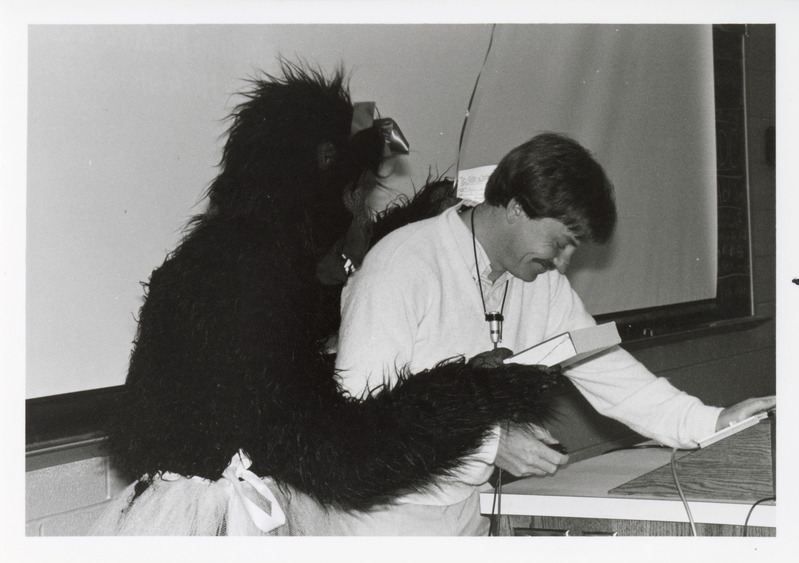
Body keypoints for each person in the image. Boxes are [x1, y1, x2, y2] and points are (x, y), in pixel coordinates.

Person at [90, 62, 568, 536]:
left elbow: (317, 310)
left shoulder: (231, 257)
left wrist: (405, 230)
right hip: (219, 521)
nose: (358, 214)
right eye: (355, 195)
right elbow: (345, 459)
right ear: (321, 173)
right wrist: (476, 394)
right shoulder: (248, 275)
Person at [334, 132, 776, 535]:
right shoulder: (401, 265)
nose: (563, 263)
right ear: (515, 209)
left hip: (463, 510)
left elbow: (616, 379)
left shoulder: (543, 287)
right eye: (560, 243)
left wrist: (714, 422)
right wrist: (491, 443)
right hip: (377, 516)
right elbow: (358, 421)